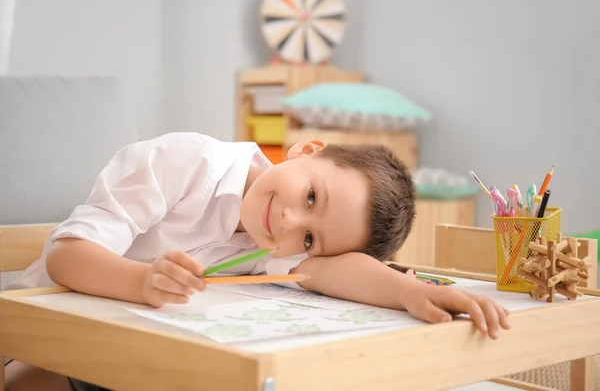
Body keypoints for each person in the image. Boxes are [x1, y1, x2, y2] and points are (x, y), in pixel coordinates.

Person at [5, 132, 510, 391]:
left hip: (144, 361)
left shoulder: (278, 249)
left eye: (310, 238)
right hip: (40, 332)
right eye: (312, 196)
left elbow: (331, 271)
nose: (288, 222)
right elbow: (64, 257)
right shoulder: (187, 161)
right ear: (308, 149)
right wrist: (142, 281)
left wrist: (410, 292)